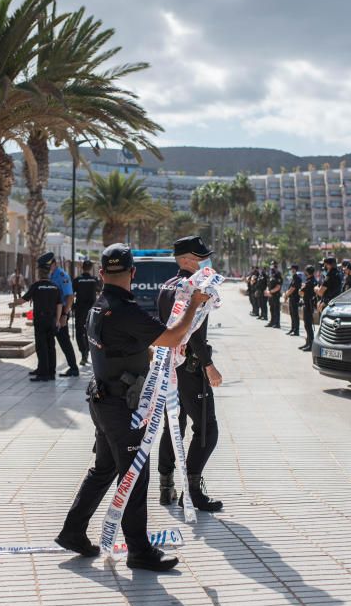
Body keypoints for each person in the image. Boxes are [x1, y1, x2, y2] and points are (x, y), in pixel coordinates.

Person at [55, 243, 210, 572]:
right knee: (135, 476)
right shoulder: (125, 310)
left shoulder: (100, 305)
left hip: (102, 399)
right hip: (122, 409)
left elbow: (122, 347)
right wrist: (195, 305)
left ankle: (72, 531)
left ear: (100, 273)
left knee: (104, 469)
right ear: (133, 273)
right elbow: (172, 337)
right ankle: (139, 551)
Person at [156, 235, 224, 512]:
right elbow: (192, 333)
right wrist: (209, 365)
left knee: (174, 425)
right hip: (190, 366)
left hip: (168, 366)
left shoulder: (167, 286)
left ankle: (166, 486)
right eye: (198, 258)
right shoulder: (191, 288)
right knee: (207, 427)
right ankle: (192, 492)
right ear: (185, 259)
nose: (203, 263)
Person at [11, 265, 62, 382]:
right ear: (49, 274)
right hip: (51, 320)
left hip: (40, 319)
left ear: (39, 274)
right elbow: (59, 304)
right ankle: (50, 373)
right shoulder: (55, 287)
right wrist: (58, 320)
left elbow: (24, 299)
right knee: (51, 346)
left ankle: (43, 374)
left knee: (41, 346)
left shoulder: (36, 286)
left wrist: (13, 304)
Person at [40, 252, 80, 377]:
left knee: (64, 341)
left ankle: (73, 368)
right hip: (51, 312)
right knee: (50, 341)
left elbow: (70, 296)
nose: (45, 269)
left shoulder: (62, 275)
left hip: (61, 310)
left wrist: (64, 315)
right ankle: (47, 369)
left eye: (47, 266)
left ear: (54, 264)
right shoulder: (50, 275)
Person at [73, 260, 101, 366]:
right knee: (91, 332)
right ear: (90, 268)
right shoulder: (94, 280)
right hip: (92, 311)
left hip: (80, 310)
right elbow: (100, 291)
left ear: (82, 267)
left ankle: (83, 354)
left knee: (80, 333)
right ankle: (89, 352)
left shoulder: (77, 280)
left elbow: (71, 293)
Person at [299, 265, 318, 351]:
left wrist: (301, 289)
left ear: (307, 272)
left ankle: (310, 344)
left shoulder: (309, 282)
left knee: (308, 325)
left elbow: (301, 292)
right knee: (308, 325)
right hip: (310, 305)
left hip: (308, 305)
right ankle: (308, 343)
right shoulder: (314, 281)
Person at [284, 264, 303, 336]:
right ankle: (292, 329)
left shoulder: (297, 278)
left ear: (294, 269)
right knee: (292, 314)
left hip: (295, 299)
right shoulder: (294, 278)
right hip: (291, 298)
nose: (290, 271)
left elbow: (292, 289)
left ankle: (296, 330)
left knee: (295, 315)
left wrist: (286, 295)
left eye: (291, 269)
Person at [265, 262, 283, 329]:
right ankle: (272, 322)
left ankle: (277, 323)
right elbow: (268, 284)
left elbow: (278, 286)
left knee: (276, 310)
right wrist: (267, 291)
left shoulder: (278, 274)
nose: (272, 267)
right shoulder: (271, 274)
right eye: (272, 265)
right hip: (270, 295)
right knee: (271, 309)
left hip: (275, 295)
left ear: (276, 266)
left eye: (274, 266)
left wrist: (270, 291)